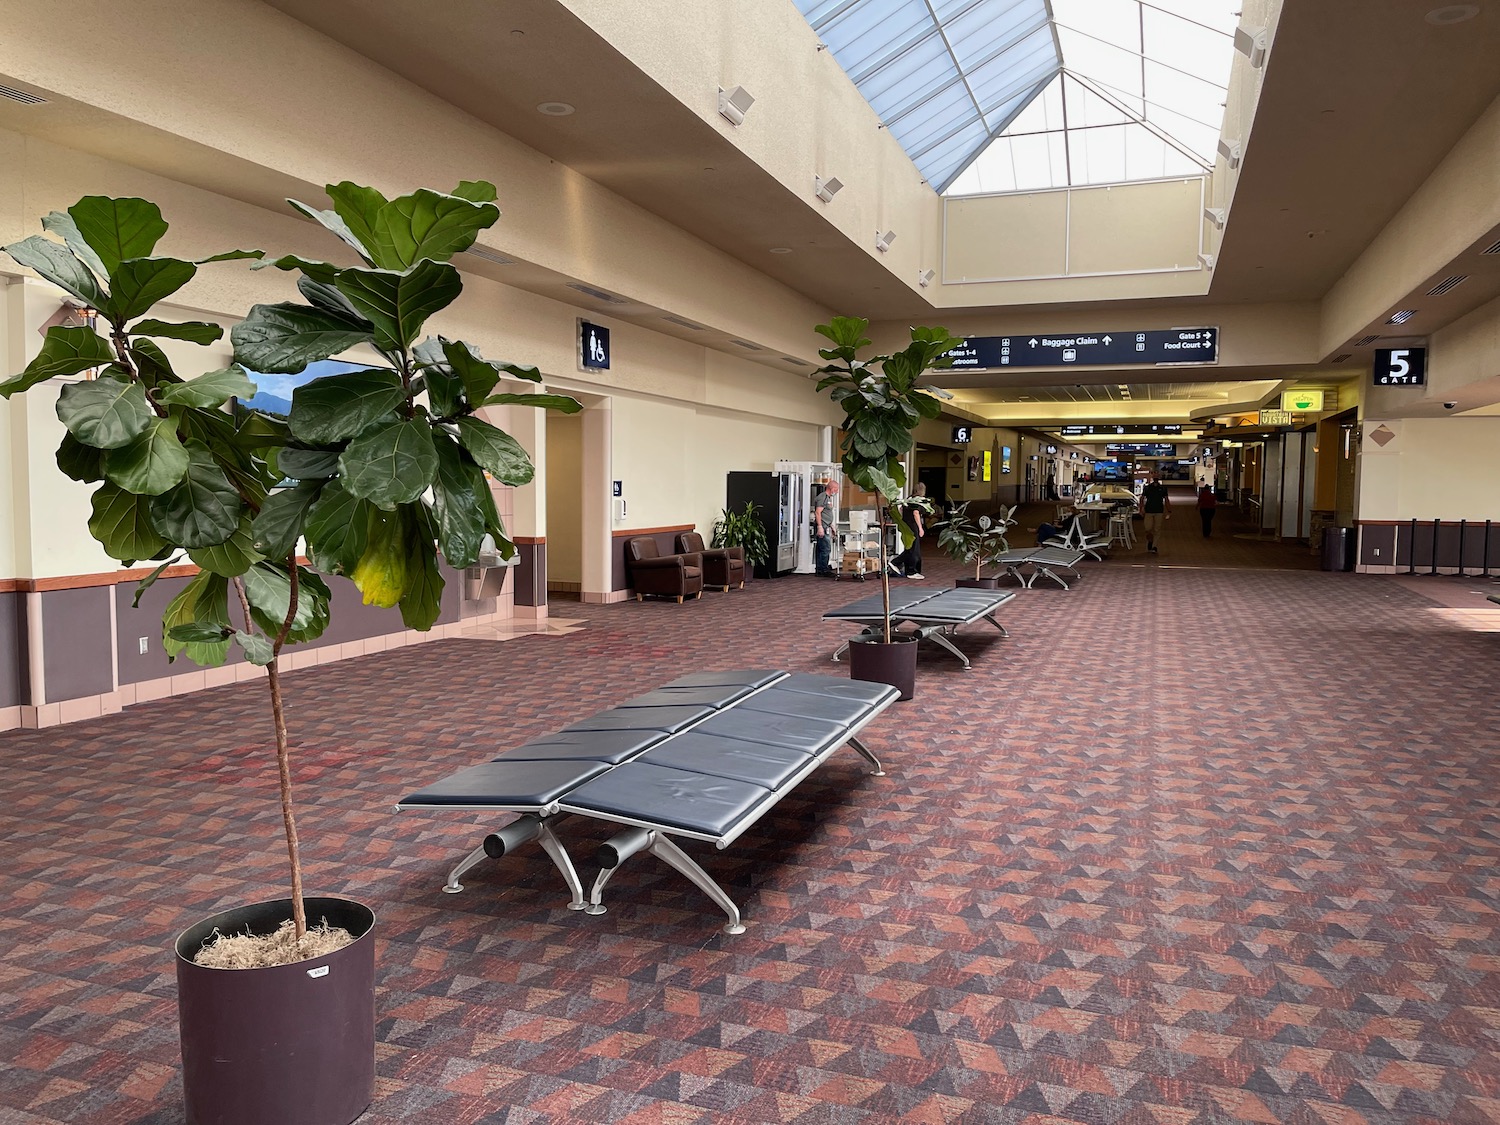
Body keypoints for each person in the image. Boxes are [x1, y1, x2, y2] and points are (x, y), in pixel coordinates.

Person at [892, 483, 927, 578]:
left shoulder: (908, 499)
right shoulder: (918, 501)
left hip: (906, 524)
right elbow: (916, 513)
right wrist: (920, 527)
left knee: (910, 547)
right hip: (913, 525)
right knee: (914, 549)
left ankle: (908, 569)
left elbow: (901, 509)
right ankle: (909, 569)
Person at [812, 479, 839, 576]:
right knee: (825, 548)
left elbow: (826, 513)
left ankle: (821, 568)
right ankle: (823, 569)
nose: (837, 491)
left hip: (826, 525)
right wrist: (820, 527)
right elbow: (818, 512)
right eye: (836, 489)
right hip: (822, 525)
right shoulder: (823, 497)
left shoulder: (828, 498)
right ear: (831, 488)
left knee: (822, 548)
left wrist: (831, 525)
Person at [1140, 473, 1169, 554]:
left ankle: (1154, 546)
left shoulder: (1163, 488)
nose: (1156, 478)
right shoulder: (1147, 488)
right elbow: (1142, 498)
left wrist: (1169, 510)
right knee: (1147, 528)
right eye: (1155, 477)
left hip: (1159, 510)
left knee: (1157, 529)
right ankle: (1150, 540)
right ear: (1153, 478)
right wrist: (1141, 508)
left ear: (1159, 478)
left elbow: (1166, 499)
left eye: (1157, 477)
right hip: (1148, 510)